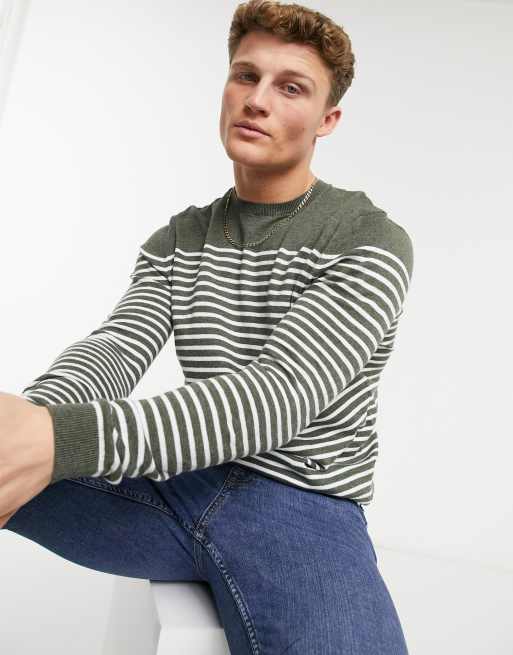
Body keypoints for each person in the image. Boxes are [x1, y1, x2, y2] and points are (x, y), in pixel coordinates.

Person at [1, 1, 413, 653]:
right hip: (183, 478)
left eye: (291, 88)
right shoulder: (180, 239)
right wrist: (32, 421)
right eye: (246, 75)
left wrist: (56, 436)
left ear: (327, 120)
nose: (257, 100)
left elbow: (277, 396)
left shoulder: (366, 238)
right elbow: (117, 346)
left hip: (304, 506)